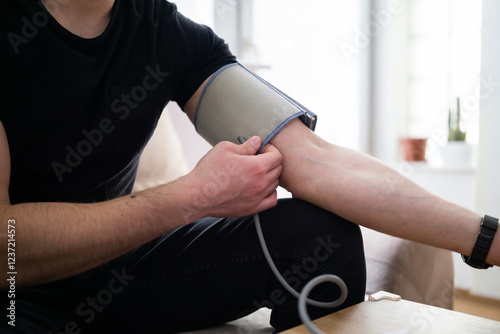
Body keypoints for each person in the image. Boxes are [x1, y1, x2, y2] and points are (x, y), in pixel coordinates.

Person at [0, 0, 497, 333]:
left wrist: (489, 240)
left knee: (319, 233)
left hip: (108, 278)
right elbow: (6, 250)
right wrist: (189, 198)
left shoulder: (165, 34)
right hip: (15, 297)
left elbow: (316, 161)